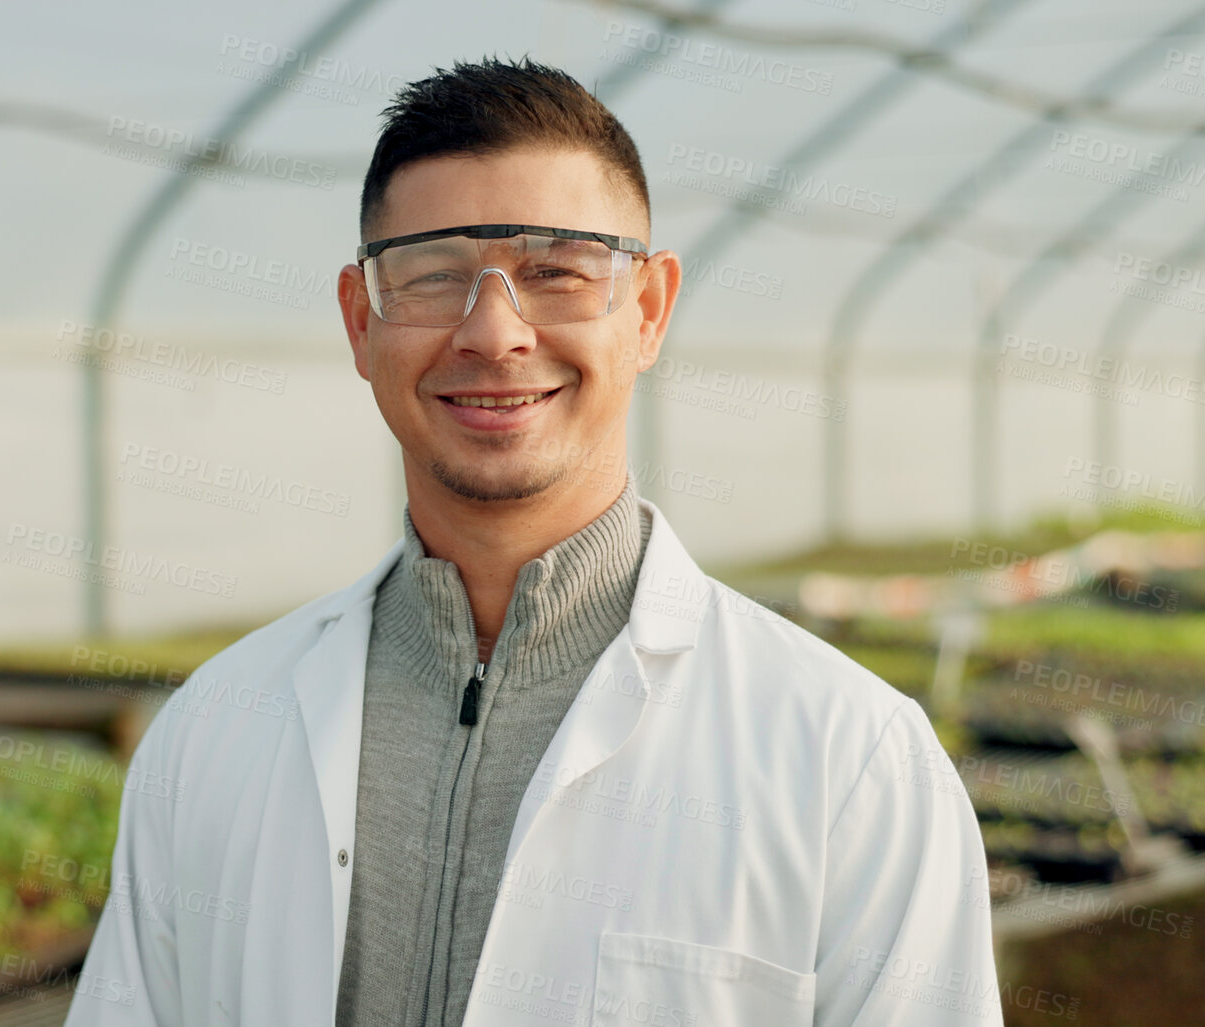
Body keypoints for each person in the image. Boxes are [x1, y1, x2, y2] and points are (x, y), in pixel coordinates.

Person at [64, 56, 998, 1027]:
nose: (495, 332)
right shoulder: (216, 731)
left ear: (647, 310)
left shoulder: (848, 761)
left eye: (557, 273)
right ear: (359, 321)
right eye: (432, 276)